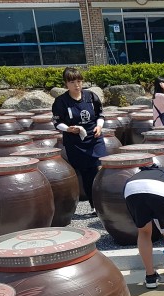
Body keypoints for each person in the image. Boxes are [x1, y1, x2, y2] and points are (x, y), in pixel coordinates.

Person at [52, 67, 106, 216]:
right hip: (75, 142)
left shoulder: (91, 96)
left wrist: (99, 126)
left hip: (94, 138)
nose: (77, 85)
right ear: (66, 84)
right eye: (72, 82)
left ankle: (107, 201)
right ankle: (94, 205)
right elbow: (57, 122)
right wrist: (68, 129)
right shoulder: (61, 101)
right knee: (87, 173)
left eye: (79, 81)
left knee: (101, 168)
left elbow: (100, 115)